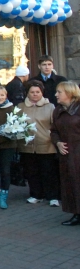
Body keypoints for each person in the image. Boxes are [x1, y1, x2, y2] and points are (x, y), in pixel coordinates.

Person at [18, 80, 59, 206]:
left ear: (42, 92)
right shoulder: (20, 107)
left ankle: (53, 196)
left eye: (37, 92)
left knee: (49, 172)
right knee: (32, 172)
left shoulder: (50, 107)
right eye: (32, 92)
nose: (35, 94)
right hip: (27, 146)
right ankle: (36, 194)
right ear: (27, 93)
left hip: (46, 145)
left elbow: (55, 126)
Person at [50, 81, 80, 226]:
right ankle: (76, 213)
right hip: (66, 154)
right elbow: (54, 131)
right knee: (70, 183)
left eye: (59, 92)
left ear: (69, 93)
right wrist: (58, 142)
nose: (56, 95)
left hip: (78, 152)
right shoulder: (58, 111)